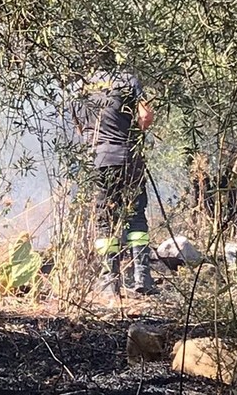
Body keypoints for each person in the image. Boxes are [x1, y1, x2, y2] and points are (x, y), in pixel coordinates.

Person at [73, 50, 156, 300]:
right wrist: (135, 133)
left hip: (99, 160)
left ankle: (110, 283)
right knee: (136, 216)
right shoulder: (128, 80)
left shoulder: (80, 88)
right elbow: (146, 116)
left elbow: (79, 128)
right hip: (129, 158)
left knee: (104, 220)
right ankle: (143, 277)